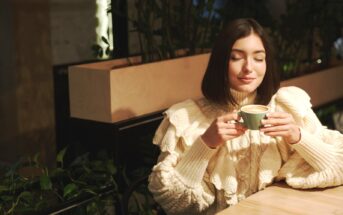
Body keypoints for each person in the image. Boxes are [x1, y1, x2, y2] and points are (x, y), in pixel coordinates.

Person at [148, 18, 343, 215]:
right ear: (220, 62)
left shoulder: (286, 105)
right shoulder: (188, 118)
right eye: (236, 57)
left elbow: (338, 167)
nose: (249, 67)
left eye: (258, 58)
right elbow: (173, 203)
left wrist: (298, 137)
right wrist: (206, 143)